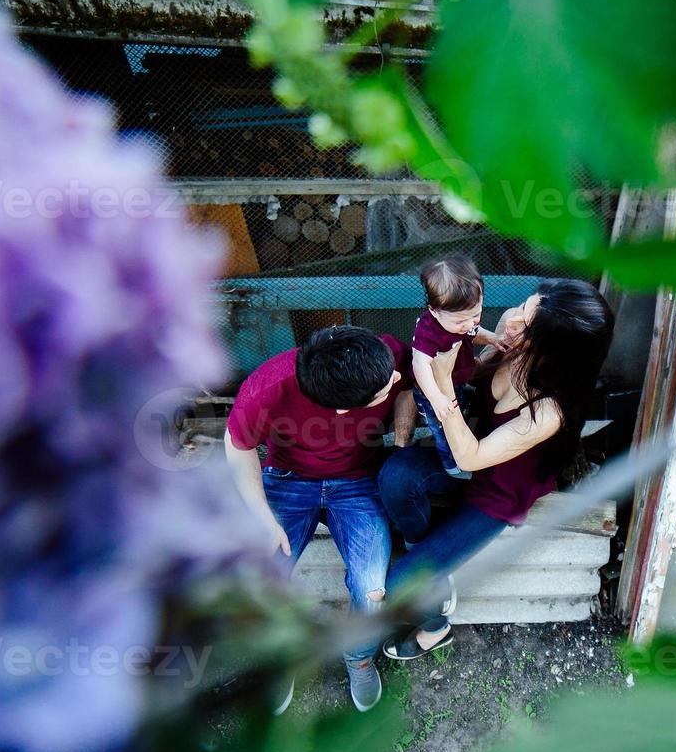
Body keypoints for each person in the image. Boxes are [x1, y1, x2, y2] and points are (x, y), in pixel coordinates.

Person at [377, 279, 614, 659]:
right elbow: (468, 375)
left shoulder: (550, 410)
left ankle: (435, 629)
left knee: (400, 585)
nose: (513, 320)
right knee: (395, 475)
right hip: (463, 453)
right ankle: (430, 558)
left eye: (528, 322)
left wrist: (440, 387)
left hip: (496, 489)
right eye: (525, 305)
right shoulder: (511, 330)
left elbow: (472, 456)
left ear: (557, 350)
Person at [224, 325, 417, 710]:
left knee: (371, 589)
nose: (393, 378)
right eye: (384, 386)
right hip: (288, 480)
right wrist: (263, 517)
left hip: (359, 481)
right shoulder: (266, 389)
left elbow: (408, 382)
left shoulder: (380, 352)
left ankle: (358, 655)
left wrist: (400, 443)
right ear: (344, 408)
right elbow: (237, 444)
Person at [411, 254, 503, 478]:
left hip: (457, 380)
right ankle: (452, 465)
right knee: (442, 429)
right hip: (433, 392)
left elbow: (474, 332)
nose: (469, 324)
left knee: (459, 413)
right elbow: (420, 365)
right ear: (434, 310)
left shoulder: (466, 320)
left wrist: (492, 338)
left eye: (476, 314)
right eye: (460, 321)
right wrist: (435, 397)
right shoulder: (429, 331)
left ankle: (462, 415)